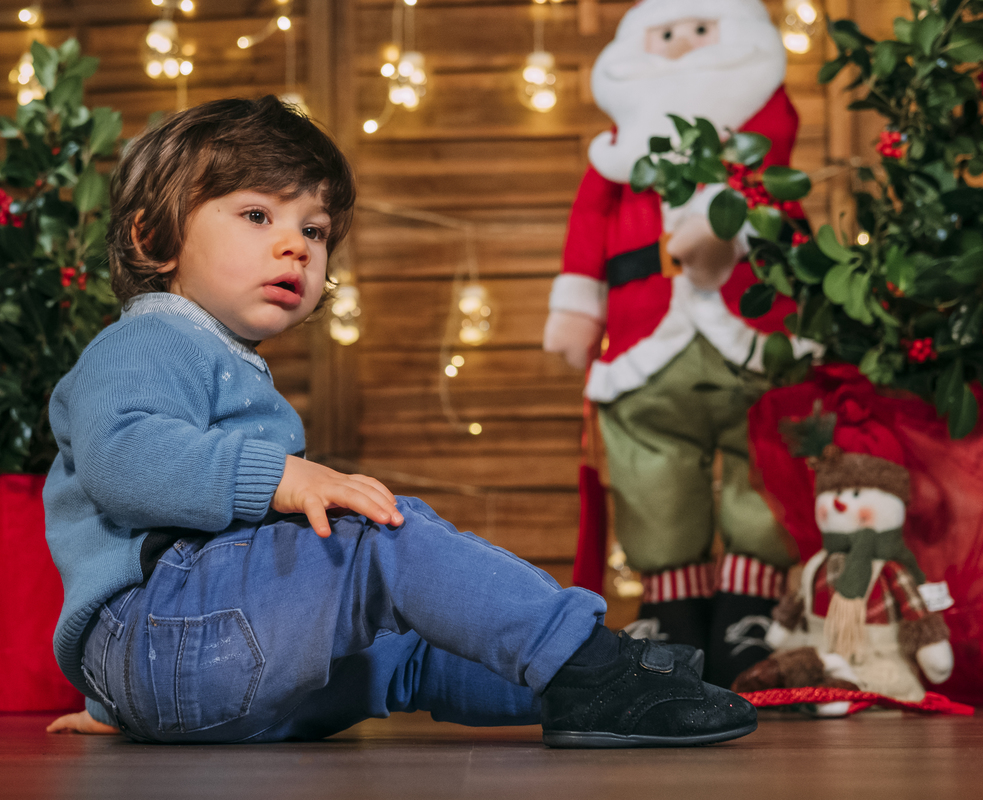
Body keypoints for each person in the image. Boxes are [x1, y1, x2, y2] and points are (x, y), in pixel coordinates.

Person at [42, 96, 757, 747]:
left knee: (406, 643)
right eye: (258, 215)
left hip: (192, 662)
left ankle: (595, 686)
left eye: (314, 230)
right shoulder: (150, 338)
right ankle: (588, 664)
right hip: (173, 641)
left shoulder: (223, 357)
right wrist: (283, 478)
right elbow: (121, 458)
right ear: (154, 239)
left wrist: (123, 698)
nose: (296, 246)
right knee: (385, 540)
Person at [543, 0, 819, 688]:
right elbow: (589, 223)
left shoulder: (763, 136)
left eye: (701, 30)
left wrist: (729, 225)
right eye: (667, 34)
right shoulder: (616, 152)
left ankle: (749, 615)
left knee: (766, 463)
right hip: (644, 343)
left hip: (755, 336)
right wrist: (577, 307)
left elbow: (778, 198)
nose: (683, 46)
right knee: (650, 472)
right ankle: (674, 619)